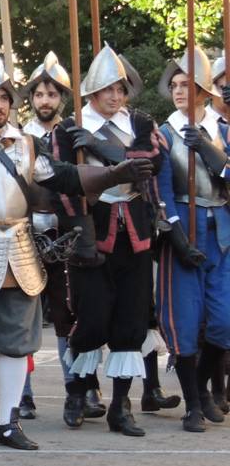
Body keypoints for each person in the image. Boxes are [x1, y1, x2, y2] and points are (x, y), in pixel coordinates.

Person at [0, 63, 153, 450]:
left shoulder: (27, 145)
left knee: (18, 341)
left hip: (19, 247)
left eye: (4, 97)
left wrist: (115, 173)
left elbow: (66, 176)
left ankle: (7, 422)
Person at [53, 45, 162, 437]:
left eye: (120, 89)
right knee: (93, 318)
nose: (115, 96)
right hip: (92, 229)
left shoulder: (142, 124)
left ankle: (121, 406)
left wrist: (101, 148)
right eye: (107, 89)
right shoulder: (68, 129)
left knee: (130, 322)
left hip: (134, 229)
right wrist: (79, 230)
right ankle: (78, 392)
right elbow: (61, 181)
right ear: (92, 92)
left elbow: (149, 164)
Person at [156, 48, 230, 432]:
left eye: (188, 85)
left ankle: (201, 386)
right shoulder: (164, 133)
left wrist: (210, 150)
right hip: (184, 228)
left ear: (204, 91)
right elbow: (162, 190)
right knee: (183, 322)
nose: (180, 91)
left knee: (224, 321)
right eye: (175, 85)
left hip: (221, 230)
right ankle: (192, 404)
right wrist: (177, 234)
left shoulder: (223, 131)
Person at [18, 52, 81, 412]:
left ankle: (75, 387)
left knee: (66, 313)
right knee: (25, 313)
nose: (46, 101)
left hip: (64, 230)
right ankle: (22, 392)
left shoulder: (73, 134)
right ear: (32, 98)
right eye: (40, 94)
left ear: (62, 98)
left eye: (53, 95)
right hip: (25, 231)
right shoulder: (18, 136)